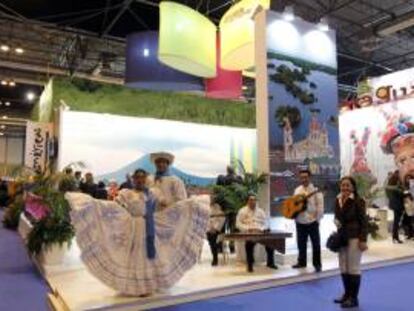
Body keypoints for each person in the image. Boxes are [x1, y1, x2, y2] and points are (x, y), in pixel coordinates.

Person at [65, 168, 210, 296]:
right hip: (133, 226)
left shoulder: (153, 192)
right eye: (137, 178)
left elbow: (166, 204)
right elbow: (116, 205)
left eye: (142, 178)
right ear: (133, 179)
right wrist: (98, 206)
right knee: (134, 256)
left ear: (145, 179)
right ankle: (136, 287)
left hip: (151, 226)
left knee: (150, 256)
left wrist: (180, 210)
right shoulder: (126, 193)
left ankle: (149, 285)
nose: (140, 180)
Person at [334, 176, 368, 308]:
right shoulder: (338, 199)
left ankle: (353, 299)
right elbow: (337, 217)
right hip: (342, 237)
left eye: (348, 185)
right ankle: (347, 295)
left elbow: (364, 222)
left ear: (353, 187)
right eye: (343, 185)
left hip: (355, 238)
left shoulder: (358, 201)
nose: (345, 188)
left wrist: (363, 240)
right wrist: (336, 223)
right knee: (343, 266)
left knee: (353, 268)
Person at [292, 169, 324, 272]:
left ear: (310, 177)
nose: (304, 179)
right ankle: (301, 262)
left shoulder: (316, 190)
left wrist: (317, 220)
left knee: (316, 244)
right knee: (301, 243)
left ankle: (317, 264)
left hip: (312, 221)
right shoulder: (297, 190)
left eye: (306, 177)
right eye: (302, 177)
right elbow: (294, 205)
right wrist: (295, 217)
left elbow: (320, 206)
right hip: (300, 221)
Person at [236, 194, 277, 273]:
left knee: (271, 242)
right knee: (249, 245)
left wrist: (262, 229)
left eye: (254, 200)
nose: (253, 202)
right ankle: (250, 265)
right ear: (247, 201)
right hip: (249, 232)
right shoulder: (242, 211)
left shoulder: (260, 211)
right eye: (251, 200)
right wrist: (248, 229)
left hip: (261, 232)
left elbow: (266, 222)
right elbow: (238, 224)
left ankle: (270, 263)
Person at [385, 170, 405, 243]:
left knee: (396, 221)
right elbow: (400, 193)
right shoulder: (396, 184)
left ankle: (395, 237)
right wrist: (403, 191)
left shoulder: (392, 184)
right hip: (397, 205)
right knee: (396, 222)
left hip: (395, 204)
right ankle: (395, 237)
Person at [207, 197, 226, 266]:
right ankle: (215, 256)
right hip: (209, 230)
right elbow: (207, 220)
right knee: (211, 240)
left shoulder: (218, 209)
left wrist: (215, 228)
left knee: (213, 239)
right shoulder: (207, 208)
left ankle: (215, 258)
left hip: (217, 230)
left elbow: (221, 220)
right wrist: (210, 228)